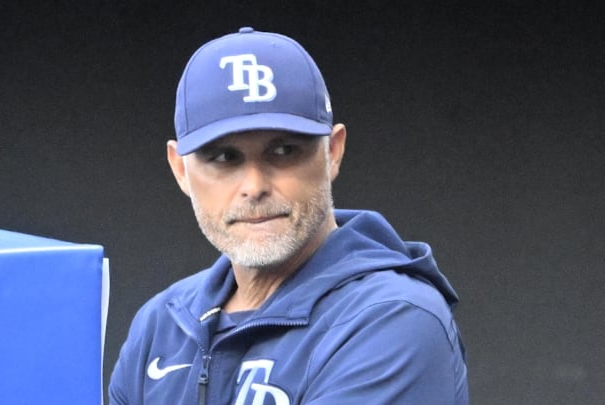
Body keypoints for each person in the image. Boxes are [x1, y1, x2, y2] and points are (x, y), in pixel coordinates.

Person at [109, 27, 469, 404]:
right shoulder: (162, 323)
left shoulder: (394, 319)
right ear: (180, 170)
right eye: (223, 157)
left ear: (332, 151)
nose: (254, 186)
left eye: (283, 151)